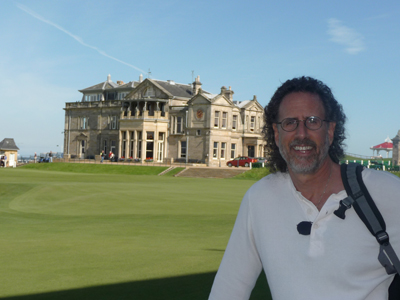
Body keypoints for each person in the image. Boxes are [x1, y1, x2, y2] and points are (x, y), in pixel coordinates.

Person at [209, 76, 400, 300]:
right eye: (290, 122)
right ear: (277, 133)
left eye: (312, 121)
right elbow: (229, 288)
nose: (301, 133)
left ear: (330, 130)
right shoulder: (260, 198)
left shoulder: (385, 191)